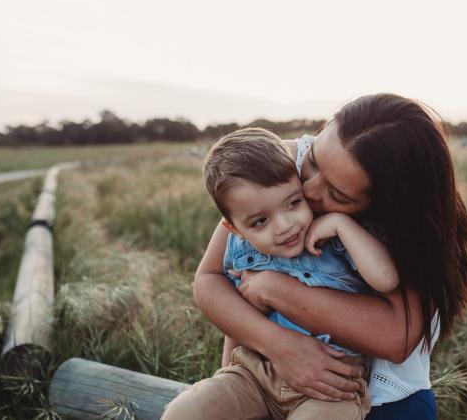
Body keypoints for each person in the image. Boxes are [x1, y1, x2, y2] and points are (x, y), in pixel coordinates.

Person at [169, 93, 467, 420]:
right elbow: (210, 278)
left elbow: (395, 337)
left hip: (378, 399)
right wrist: (278, 345)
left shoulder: (414, 222)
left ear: (385, 204)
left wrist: (274, 288)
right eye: (313, 160)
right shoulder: (279, 165)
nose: (310, 190)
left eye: (337, 194)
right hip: (266, 377)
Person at [163, 128, 400, 419]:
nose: (284, 226)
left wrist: (341, 225)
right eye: (261, 221)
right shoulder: (241, 248)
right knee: (186, 411)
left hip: (330, 387)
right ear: (234, 230)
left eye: (293, 203)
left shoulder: (334, 238)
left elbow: (385, 279)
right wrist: (226, 374)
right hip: (253, 373)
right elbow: (234, 315)